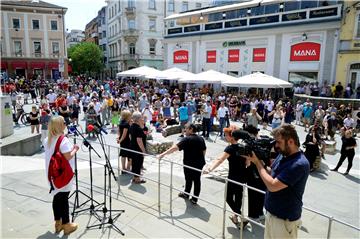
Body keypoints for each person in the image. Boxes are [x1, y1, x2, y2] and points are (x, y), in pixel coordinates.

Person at [244, 124, 310, 239]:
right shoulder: (283, 156)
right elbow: (271, 173)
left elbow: (272, 185)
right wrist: (259, 161)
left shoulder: (299, 164)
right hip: (272, 215)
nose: (276, 145)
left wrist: (257, 164)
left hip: (284, 221)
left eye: (279, 142)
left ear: (290, 141)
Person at [203, 126, 248, 227]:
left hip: (233, 176)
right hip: (242, 176)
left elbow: (220, 160)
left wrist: (210, 169)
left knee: (228, 197)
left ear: (232, 137)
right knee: (238, 197)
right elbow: (248, 162)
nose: (225, 137)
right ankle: (236, 217)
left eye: (226, 135)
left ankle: (242, 217)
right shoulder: (243, 147)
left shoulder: (230, 148)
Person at [43, 116, 79, 235]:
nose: (66, 123)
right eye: (64, 122)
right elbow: (68, 156)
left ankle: (58, 223)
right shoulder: (63, 140)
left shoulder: (47, 139)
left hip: (52, 175)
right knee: (63, 199)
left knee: (57, 198)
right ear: (60, 125)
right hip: (63, 176)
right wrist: (75, 149)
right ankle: (67, 225)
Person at [158, 123, 206, 205]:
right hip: (199, 163)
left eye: (186, 128)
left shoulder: (186, 139)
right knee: (197, 180)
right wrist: (202, 159)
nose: (184, 130)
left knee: (189, 179)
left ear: (191, 129)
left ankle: (187, 194)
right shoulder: (201, 139)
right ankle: (194, 198)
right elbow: (204, 150)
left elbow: (174, 148)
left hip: (189, 164)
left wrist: (163, 154)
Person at [129, 112, 147, 184]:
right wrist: (143, 151)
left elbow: (130, 137)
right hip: (137, 148)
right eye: (141, 118)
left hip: (133, 147)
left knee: (134, 163)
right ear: (139, 119)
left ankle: (134, 177)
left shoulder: (131, 126)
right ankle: (137, 179)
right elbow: (139, 141)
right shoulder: (138, 129)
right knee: (138, 163)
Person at [118, 110, 132, 174]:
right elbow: (124, 134)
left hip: (122, 141)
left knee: (123, 155)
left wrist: (119, 139)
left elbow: (119, 132)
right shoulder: (126, 124)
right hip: (126, 141)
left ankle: (123, 169)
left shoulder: (121, 122)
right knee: (129, 155)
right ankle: (126, 168)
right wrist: (120, 140)